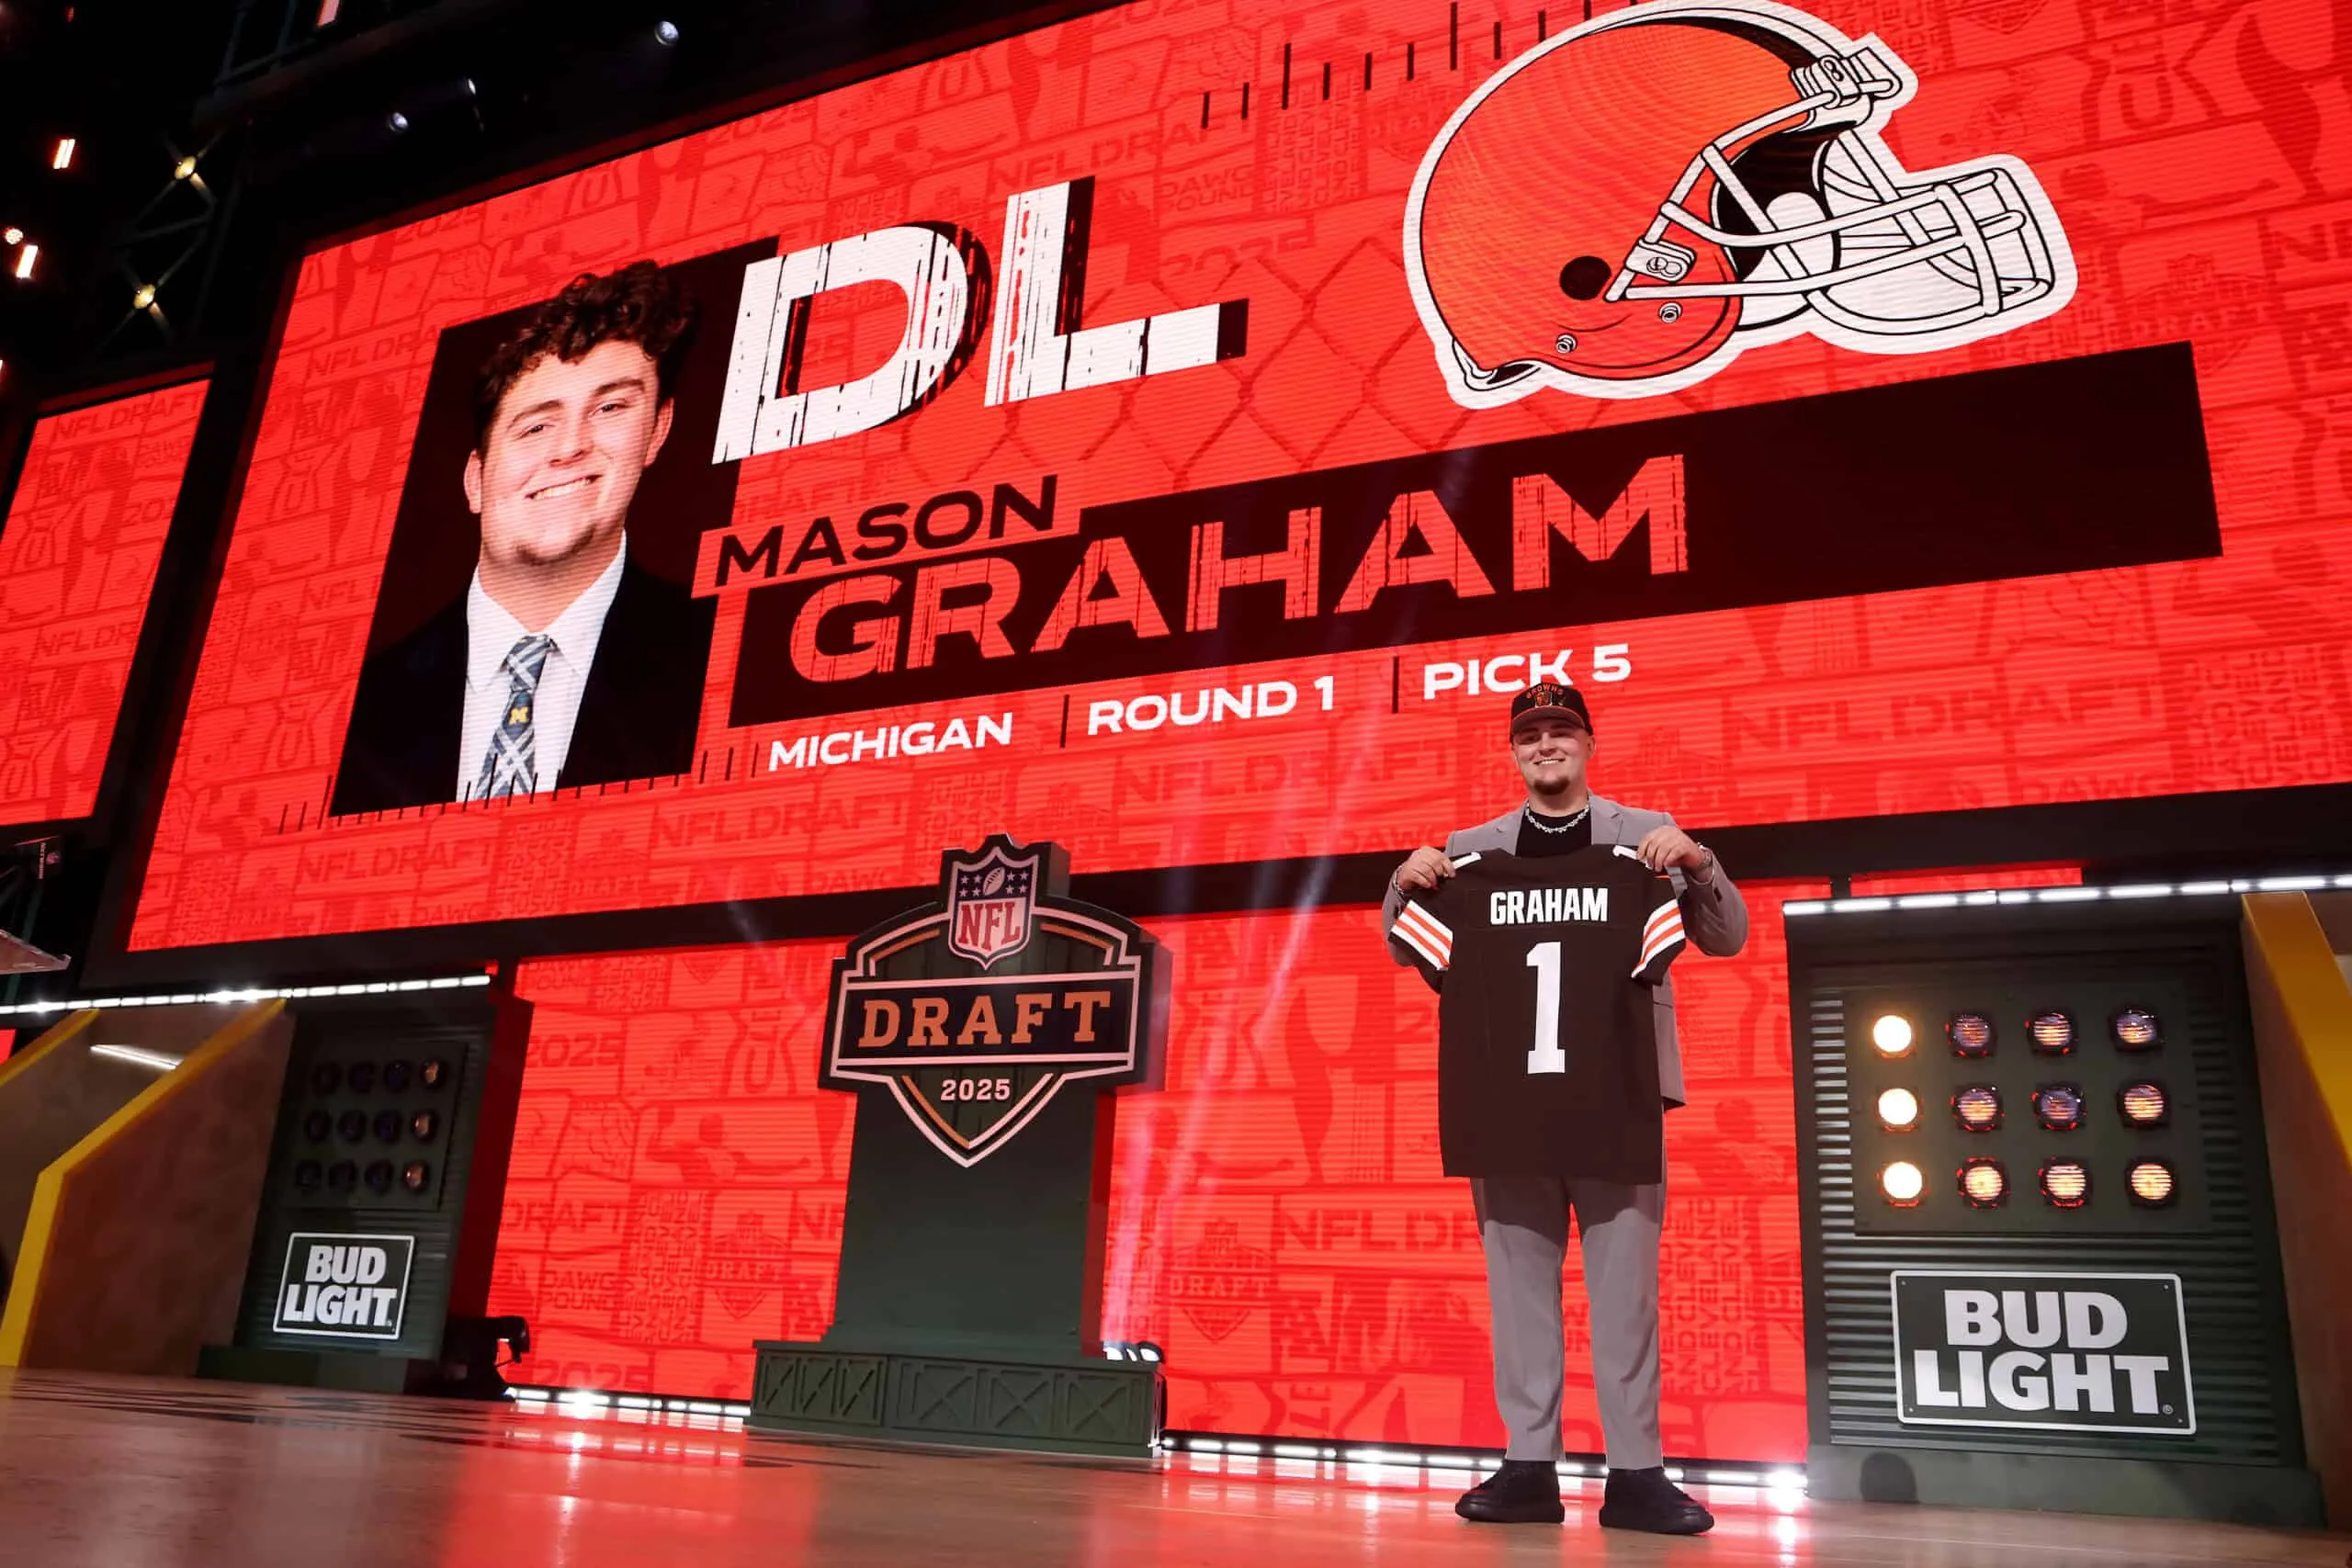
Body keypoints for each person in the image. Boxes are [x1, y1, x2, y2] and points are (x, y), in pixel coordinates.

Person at [1382, 681, 1747, 1535]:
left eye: (1560, 729)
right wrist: (1401, 882)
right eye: (1530, 734)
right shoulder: (1469, 851)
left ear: (1588, 741)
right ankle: (1528, 1466)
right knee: (1518, 1292)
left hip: (1620, 1094)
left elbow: (1726, 936)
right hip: (1505, 1099)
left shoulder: (1647, 837)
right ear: (1514, 750)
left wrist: (1698, 861)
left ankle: (1638, 1474)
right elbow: (1407, 946)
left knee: (1626, 1295)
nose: (1545, 743)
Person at [333, 263, 716, 816]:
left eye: (609, 408)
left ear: (657, 430)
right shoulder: (356, 706)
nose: (570, 448)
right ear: (475, 479)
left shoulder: (722, 659)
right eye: (536, 426)